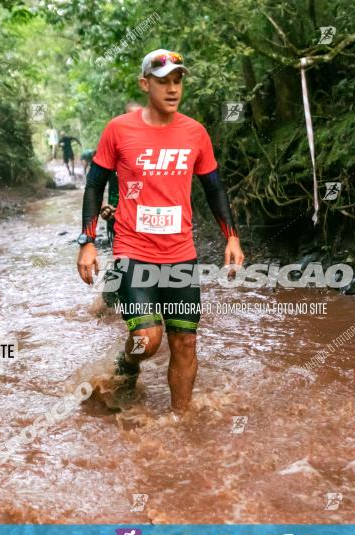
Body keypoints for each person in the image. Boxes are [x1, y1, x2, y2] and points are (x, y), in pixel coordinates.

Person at [76, 49, 244, 414]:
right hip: (133, 252)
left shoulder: (195, 133)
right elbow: (94, 185)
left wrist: (231, 236)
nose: (172, 89)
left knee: (184, 342)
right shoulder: (119, 130)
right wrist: (87, 241)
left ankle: (181, 421)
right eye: (163, 81)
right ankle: (128, 364)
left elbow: (214, 188)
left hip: (181, 255)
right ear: (144, 83)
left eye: (177, 81)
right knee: (147, 339)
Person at [105, 102, 143, 247]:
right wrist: (105, 207)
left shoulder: (154, 145)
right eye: (131, 116)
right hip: (117, 210)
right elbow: (97, 183)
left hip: (145, 213)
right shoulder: (113, 144)